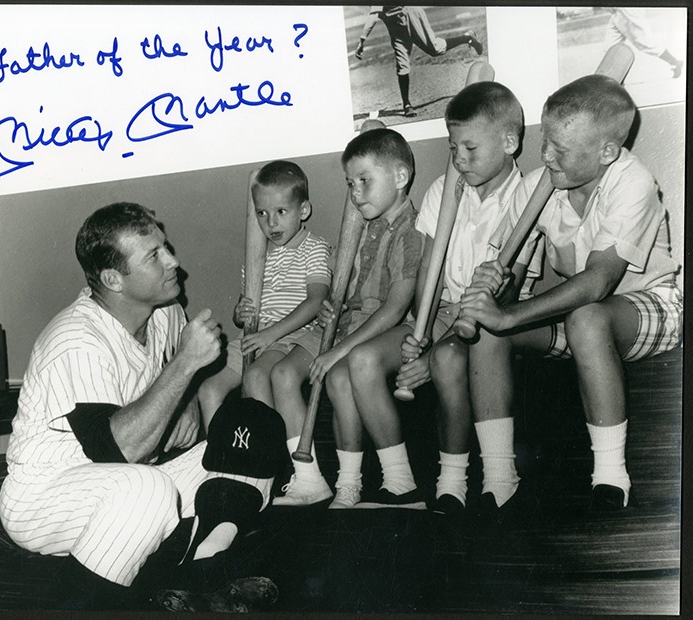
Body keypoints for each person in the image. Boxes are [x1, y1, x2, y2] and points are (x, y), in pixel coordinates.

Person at [0, 202, 286, 610]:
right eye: (154, 255)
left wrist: (185, 397)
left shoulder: (166, 312)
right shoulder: (75, 339)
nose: (173, 261)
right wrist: (186, 365)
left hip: (130, 479)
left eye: (165, 247)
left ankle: (199, 576)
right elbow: (117, 450)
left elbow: (166, 382)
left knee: (250, 434)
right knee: (146, 490)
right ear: (114, 279)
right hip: (45, 495)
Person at [457, 75, 682, 520]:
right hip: (579, 315)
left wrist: (510, 316)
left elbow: (598, 282)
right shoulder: (541, 184)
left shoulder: (633, 181)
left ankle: (610, 478)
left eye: (560, 148)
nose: (544, 156)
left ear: (606, 152)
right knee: (488, 331)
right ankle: (500, 481)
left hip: (649, 307)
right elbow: (515, 278)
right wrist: (494, 286)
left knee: (587, 318)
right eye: (545, 142)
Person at [385, 81, 527, 518]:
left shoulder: (527, 198)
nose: (458, 160)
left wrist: (444, 338)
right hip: (446, 312)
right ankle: (453, 479)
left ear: (509, 143)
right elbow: (429, 270)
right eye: (452, 148)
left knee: (447, 359)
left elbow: (512, 289)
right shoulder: (441, 191)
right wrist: (420, 331)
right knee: (440, 356)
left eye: (470, 148)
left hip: (496, 316)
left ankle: (493, 477)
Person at [270, 127, 424, 507]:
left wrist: (339, 349)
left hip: (394, 328)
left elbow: (395, 308)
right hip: (353, 327)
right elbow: (345, 292)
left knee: (348, 362)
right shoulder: (361, 229)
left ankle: (402, 482)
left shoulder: (411, 230)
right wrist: (332, 308)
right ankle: (348, 485)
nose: (354, 193)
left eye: (365, 181)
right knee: (337, 378)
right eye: (350, 183)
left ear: (400, 178)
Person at [198, 161, 331, 428]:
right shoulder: (255, 256)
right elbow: (243, 309)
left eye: (281, 211)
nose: (271, 223)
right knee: (208, 390)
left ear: (303, 210)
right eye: (261, 213)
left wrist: (270, 335)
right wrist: (240, 313)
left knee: (256, 376)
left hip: (289, 337)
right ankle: (220, 460)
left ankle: (273, 457)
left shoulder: (314, 248)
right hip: (252, 338)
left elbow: (316, 301)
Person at [354, 5, 483, 118]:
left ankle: (467, 38)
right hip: (395, 26)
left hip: (411, 14)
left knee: (435, 49)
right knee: (402, 64)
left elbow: (373, 16)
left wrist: (362, 40)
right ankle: (407, 104)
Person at [604, 8, 684, 79]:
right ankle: (617, 79)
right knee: (610, 47)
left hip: (627, 10)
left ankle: (675, 62)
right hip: (616, 12)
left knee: (644, 42)